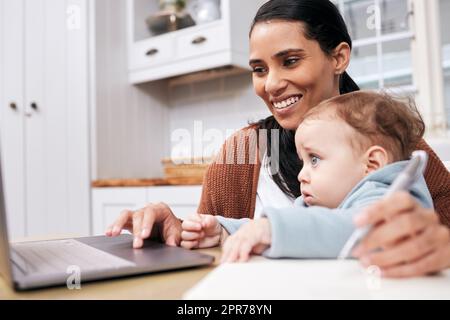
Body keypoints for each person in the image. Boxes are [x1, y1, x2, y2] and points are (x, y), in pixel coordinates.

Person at [106, 0, 450, 278]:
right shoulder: (239, 154)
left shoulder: (397, 148)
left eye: (290, 60)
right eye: (259, 69)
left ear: (339, 57)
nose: (270, 84)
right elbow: (216, 247)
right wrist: (180, 229)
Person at [180, 91, 436, 268]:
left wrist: (273, 230)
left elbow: (357, 231)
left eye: (314, 159)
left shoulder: (389, 195)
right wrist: (225, 231)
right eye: (303, 161)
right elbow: (276, 225)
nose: (302, 174)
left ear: (372, 164)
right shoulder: (323, 202)